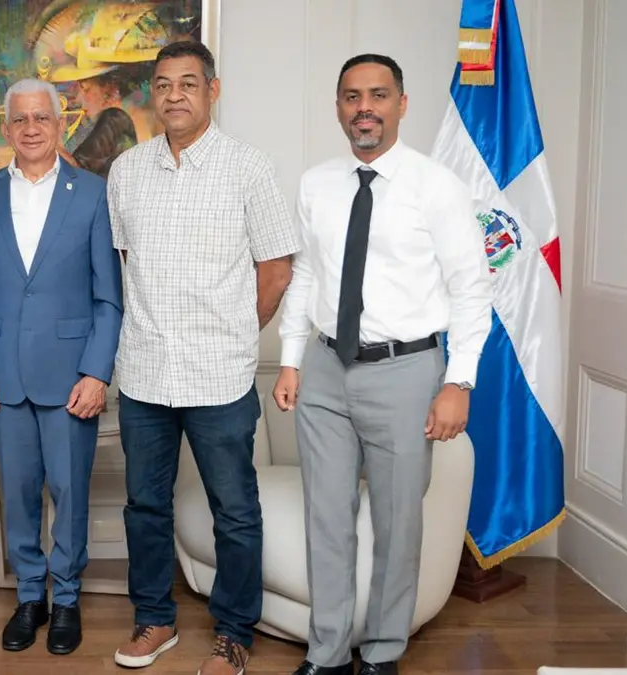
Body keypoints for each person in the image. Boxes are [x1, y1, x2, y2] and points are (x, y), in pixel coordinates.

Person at [273, 54, 493, 675]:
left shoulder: (437, 187)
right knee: (327, 516)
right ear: (338, 107)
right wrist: (290, 360)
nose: (364, 107)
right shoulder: (316, 183)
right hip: (324, 369)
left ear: (401, 103)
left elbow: (472, 289)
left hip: (406, 373)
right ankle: (327, 654)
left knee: (398, 523)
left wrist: (459, 381)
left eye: (377, 95)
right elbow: (307, 275)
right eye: (352, 96)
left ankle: (383, 652)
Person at [106, 40, 300, 675]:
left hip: (220, 377)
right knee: (145, 507)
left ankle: (234, 633)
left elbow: (276, 270)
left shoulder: (249, 167)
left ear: (212, 91)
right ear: (152, 94)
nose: (175, 95)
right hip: (144, 375)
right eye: (163, 84)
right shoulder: (126, 171)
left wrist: (236, 333)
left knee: (234, 511)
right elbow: (129, 265)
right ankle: (154, 620)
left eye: (188, 83)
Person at [0, 77, 122, 655]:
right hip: (4, 375)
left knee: (70, 492)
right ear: (6, 129)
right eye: (20, 119)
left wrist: (96, 372)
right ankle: (30, 596)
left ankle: (68, 599)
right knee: (20, 492)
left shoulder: (93, 193)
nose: (31, 128)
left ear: (60, 125)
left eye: (42, 118)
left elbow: (108, 297)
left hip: (72, 375)